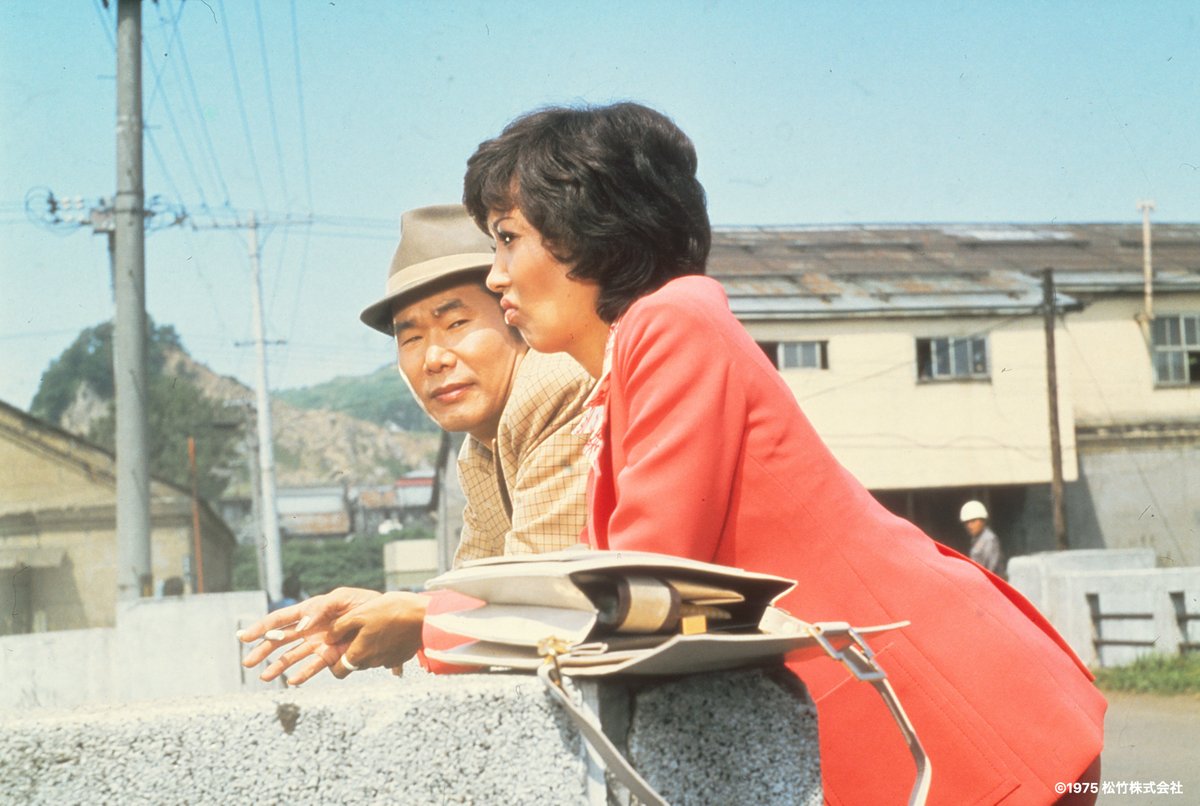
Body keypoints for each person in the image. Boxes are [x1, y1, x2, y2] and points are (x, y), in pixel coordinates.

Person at [462, 102, 1105, 805]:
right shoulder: (634, 358)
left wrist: (433, 624)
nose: (496, 277)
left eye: (508, 238)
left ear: (591, 224)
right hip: (900, 712)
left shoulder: (670, 322)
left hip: (950, 719)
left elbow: (642, 587)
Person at [237, 204, 594, 684]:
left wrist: (415, 617)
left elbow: (543, 600)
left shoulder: (551, 385)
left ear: (515, 314)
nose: (433, 358)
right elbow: (475, 586)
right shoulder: (479, 451)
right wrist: (395, 612)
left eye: (456, 323)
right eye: (411, 338)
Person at [960, 499, 1006, 577]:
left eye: (973, 521)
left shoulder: (989, 540)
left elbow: (991, 570)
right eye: (967, 522)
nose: (969, 526)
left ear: (983, 521)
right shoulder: (977, 540)